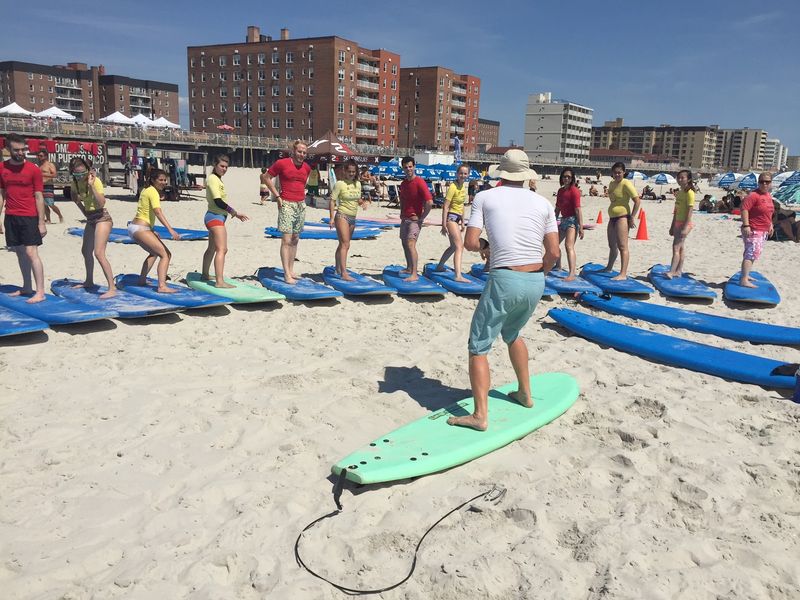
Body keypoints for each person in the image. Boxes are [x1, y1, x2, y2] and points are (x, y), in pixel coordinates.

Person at [447, 149, 559, 431]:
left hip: (505, 278)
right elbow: (555, 253)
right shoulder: (543, 202)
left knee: (478, 346)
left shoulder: (485, 196)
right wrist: (538, 275)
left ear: (501, 172)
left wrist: (485, 247)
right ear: (526, 175)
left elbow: (471, 242)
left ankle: (480, 416)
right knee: (512, 333)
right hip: (536, 280)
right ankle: (525, 393)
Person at [0, 133, 47, 303]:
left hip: (29, 216)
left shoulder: (33, 169)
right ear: (8, 149)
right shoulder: (2, 167)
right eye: (17, 150)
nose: (21, 153)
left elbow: (39, 196)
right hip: (11, 216)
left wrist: (41, 222)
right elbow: (2, 194)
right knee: (20, 252)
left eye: (23, 149)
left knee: (31, 252)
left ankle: (40, 291)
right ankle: (27, 286)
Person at [265, 140, 311, 284]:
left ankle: (291, 270)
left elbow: (301, 184)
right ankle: (286, 274)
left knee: (295, 239)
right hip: (286, 203)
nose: (301, 154)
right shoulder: (282, 163)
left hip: (300, 204)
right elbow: (265, 177)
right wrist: (277, 196)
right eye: (299, 151)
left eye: (304, 152)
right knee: (286, 239)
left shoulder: (307, 168)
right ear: (293, 151)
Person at [69, 157, 116, 298]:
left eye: (83, 173)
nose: (81, 176)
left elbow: (101, 203)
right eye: (77, 174)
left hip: (103, 217)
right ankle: (89, 280)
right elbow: (77, 201)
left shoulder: (95, 182)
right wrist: (85, 213)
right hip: (91, 218)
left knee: (99, 253)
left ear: (88, 171)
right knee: (85, 251)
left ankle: (112, 288)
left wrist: (90, 186)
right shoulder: (75, 184)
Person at [127, 168, 180, 293]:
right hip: (140, 228)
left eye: (165, 180)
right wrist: (171, 230)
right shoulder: (153, 192)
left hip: (136, 227)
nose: (163, 182)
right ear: (153, 180)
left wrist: (151, 231)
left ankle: (142, 280)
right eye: (160, 180)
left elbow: (145, 212)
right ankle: (162, 286)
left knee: (154, 252)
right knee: (166, 255)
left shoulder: (146, 190)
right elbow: (157, 212)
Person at [201, 154, 249, 288]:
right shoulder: (213, 179)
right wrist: (234, 212)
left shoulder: (217, 179)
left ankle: (205, 274)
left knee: (211, 248)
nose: (224, 169)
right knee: (222, 249)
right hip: (215, 217)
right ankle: (219, 282)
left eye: (226, 167)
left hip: (215, 216)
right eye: (221, 166)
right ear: (215, 165)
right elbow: (218, 201)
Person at [328, 159, 366, 280]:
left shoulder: (358, 184)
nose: (351, 173)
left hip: (352, 218)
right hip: (342, 216)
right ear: (344, 171)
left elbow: (357, 199)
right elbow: (332, 201)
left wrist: (362, 203)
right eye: (349, 171)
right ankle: (344, 273)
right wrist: (331, 218)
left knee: (343, 244)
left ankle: (338, 268)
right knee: (345, 244)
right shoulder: (340, 184)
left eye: (353, 171)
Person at [398, 156, 433, 281]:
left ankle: (414, 274)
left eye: (410, 166)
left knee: (411, 244)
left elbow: (429, 202)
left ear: (414, 167)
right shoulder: (403, 184)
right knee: (404, 243)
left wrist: (422, 217)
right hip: (405, 219)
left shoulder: (419, 182)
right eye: (406, 167)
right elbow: (402, 199)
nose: (408, 169)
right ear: (403, 168)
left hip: (414, 220)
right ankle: (408, 267)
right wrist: (401, 212)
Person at [603, 162, 640, 280]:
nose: (617, 174)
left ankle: (623, 273)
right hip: (612, 218)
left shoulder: (626, 183)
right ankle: (609, 268)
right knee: (611, 245)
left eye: (619, 172)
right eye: (615, 172)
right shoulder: (611, 183)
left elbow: (637, 201)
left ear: (624, 172)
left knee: (622, 246)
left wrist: (632, 217)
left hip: (622, 218)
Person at [434, 164, 470, 281]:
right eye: (461, 173)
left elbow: (462, 206)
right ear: (457, 174)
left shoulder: (463, 187)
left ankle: (440, 266)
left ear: (468, 175)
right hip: (451, 219)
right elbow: (445, 206)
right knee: (460, 246)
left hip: (458, 218)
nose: (463, 176)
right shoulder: (453, 187)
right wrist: (444, 224)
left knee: (453, 247)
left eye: (465, 173)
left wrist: (463, 222)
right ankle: (458, 275)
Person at [739, 173, 774, 287]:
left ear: (770, 183)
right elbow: (744, 209)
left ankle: (746, 274)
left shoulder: (768, 195)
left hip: (763, 229)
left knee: (753, 253)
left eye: (767, 182)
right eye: (762, 181)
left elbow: (768, 212)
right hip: (754, 229)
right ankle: (744, 279)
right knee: (751, 254)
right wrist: (746, 225)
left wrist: (770, 224)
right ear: (758, 182)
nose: (764, 184)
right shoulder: (753, 195)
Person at [553, 167, 584, 280]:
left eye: (569, 177)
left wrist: (581, 227)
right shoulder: (560, 191)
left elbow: (578, 209)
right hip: (563, 220)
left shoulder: (574, 191)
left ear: (572, 179)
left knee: (568, 246)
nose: (566, 178)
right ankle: (558, 266)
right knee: (554, 244)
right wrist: (552, 222)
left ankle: (571, 274)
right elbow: (557, 208)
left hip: (572, 221)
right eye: (564, 176)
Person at [664, 169, 695, 278]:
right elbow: (676, 211)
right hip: (677, 222)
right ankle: (678, 271)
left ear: (689, 179)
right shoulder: (680, 193)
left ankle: (672, 271)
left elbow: (689, 212)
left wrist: (685, 227)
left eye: (683, 177)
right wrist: (672, 226)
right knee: (680, 248)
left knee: (675, 247)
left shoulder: (690, 193)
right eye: (679, 177)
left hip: (685, 224)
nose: (680, 179)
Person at [37, 149, 63, 224]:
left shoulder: (50, 165)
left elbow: (54, 174)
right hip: (41, 186)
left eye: (41, 156)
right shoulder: (40, 166)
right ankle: (48, 219)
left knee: (50, 204)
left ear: (45, 156)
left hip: (48, 186)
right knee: (44, 204)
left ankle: (60, 215)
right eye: (38, 156)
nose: (39, 157)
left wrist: (43, 175)